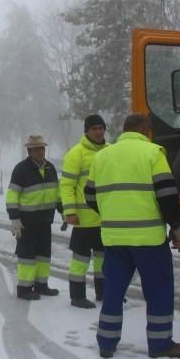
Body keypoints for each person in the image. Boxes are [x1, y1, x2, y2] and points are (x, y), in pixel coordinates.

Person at [84, 113, 180, 359]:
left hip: (114, 238)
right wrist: (174, 226)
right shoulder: (153, 153)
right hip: (148, 239)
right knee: (158, 290)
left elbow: (89, 196)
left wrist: (112, 213)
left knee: (112, 290)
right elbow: (167, 195)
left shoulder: (102, 156)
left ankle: (106, 343)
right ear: (144, 129)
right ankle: (160, 344)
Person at [6, 135, 64, 300]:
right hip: (26, 222)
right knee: (27, 257)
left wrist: (64, 212)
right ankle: (24, 289)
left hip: (45, 221)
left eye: (42, 148)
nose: (40, 151)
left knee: (43, 256)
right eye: (36, 149)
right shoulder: (21, 169)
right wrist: (15, 219)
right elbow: (12, 195)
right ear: (29, 151)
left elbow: (57, 194)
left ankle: (41, 285)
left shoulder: (50, 168)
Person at [60, 114, 108, 309]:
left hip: (104, 219)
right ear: (86, 131)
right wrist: (70, 212)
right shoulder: (75, 154)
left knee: (103, 260)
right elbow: (66, 186)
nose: (98, 132)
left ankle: (103, 293)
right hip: (82, 220)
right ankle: (77, 296)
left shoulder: (110, 151)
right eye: (94, 128)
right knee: (80, 261)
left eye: (101, 128)